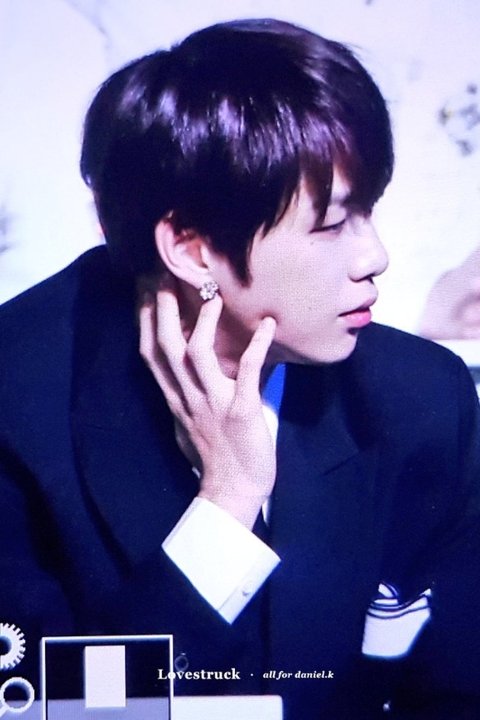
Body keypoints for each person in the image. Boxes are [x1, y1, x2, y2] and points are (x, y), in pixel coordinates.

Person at [1, 18, 480, 719]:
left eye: (368, 212)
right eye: (330, 225)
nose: (375, 256)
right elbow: (60, 712)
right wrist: (226, 504)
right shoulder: (18, 403)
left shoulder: (423, 399)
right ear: (192, 250)